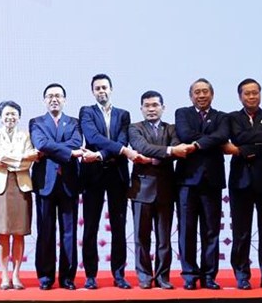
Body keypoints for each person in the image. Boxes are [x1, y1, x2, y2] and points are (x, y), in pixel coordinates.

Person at [79, 73, 143, 290]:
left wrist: (102, 155)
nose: (101, 91)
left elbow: (122, 140)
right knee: (90, 227)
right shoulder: (86, 112)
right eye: (97, 88)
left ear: (111, 89)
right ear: (93, 92)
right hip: (93, 176)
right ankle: (90, 275)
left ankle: (119, 274)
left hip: (117, 174)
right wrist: (121, 150)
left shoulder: (123, 115)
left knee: (119, 227)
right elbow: (93, 137)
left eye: (104, 87)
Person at [223, 79, 262, 290]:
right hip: (240, 181)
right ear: (240, 96)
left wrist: (245, 145)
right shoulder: (231, 118)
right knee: (241, 231)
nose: (252, 97)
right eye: (247, 94)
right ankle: (242, 275)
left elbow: (251, 143)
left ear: (260, 94)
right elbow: (239, 136)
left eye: (255, 93)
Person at [128, 91, 194, 289]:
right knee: (141, 237)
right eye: (147, 105)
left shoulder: (171, 129)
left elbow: (177, 148)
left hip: (166, 188)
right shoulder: (134, 128)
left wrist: (164, 153)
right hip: (141, 190)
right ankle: (144, 277)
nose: (151, 109)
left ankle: (163, 277)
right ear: (141, 109)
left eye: (155, 105)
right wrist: (166, 152)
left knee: (164, 238)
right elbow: (141, 147)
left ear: (163, 108)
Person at [174, 78, 229, 290]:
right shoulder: (182, 113)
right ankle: (189, 275)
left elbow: (222, 135)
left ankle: (209, 276)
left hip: (212, 181)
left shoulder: (222, 117)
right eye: (197, 92)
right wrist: (211, 140)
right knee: (187, 230)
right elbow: (184, 134)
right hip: (187, 181)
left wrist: (197, 144)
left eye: (205, 91)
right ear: (191, 96)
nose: (201, 95)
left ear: (212, 94)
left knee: (211, 231)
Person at [29, 83, 83, 291]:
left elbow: (77, 142)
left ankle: (68, 277)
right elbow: (40, 143)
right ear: (44, 100)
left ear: (64, 100)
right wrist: (69, 152)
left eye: (58, 96)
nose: (54, 99)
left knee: (69, 233)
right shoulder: (36, 122)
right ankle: (45, 277)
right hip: (45, 183)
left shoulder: (74, 122)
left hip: (69, 182)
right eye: (50, 96)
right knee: (45, 231)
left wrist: (57, 149)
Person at [0, 101, 40, 290]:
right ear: (1, 117)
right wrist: (19, 157)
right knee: (2, 233)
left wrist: (8, 159)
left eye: (14, 114)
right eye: (7, 114)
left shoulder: (25, 135)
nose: (10, 117)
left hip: (21, 186)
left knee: (19, 233)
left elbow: (28, 162)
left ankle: (16, 275)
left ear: (19, 117)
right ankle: (4, 276)